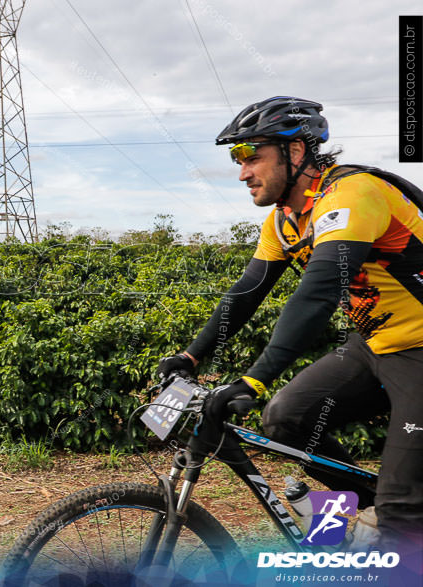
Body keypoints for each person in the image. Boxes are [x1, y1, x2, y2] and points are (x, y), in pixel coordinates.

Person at [156, 96, 423, 551]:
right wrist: (189, 355)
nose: (242, 172)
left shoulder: (353, 194)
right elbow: (246, 292)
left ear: (296, 152)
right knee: (285, 419)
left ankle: (399, 519)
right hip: (376, 342)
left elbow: (317, 294)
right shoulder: (284, 221)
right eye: (236, 158)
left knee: (401, 508)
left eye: (251, 156)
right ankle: (384, 515)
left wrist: (254, 380)